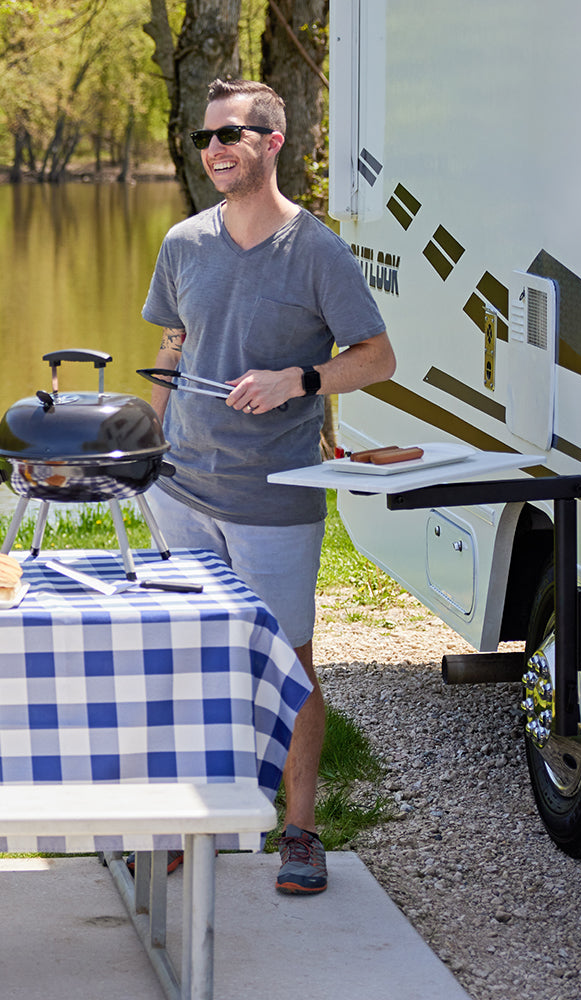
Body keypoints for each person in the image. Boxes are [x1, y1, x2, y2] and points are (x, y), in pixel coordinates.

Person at [141, 78, 395, 895]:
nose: (215, 149)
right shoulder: (182, 242)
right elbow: (173, 349)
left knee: (290, 667)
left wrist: (301, 380)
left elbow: (378, 358)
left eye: (233, 134)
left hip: (274, 499)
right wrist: (145, 443)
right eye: (205, 137)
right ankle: (188, 821)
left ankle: (300, 830)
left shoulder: (316, 249)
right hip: (180, 492)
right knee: (184, 660)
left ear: (274, 141)